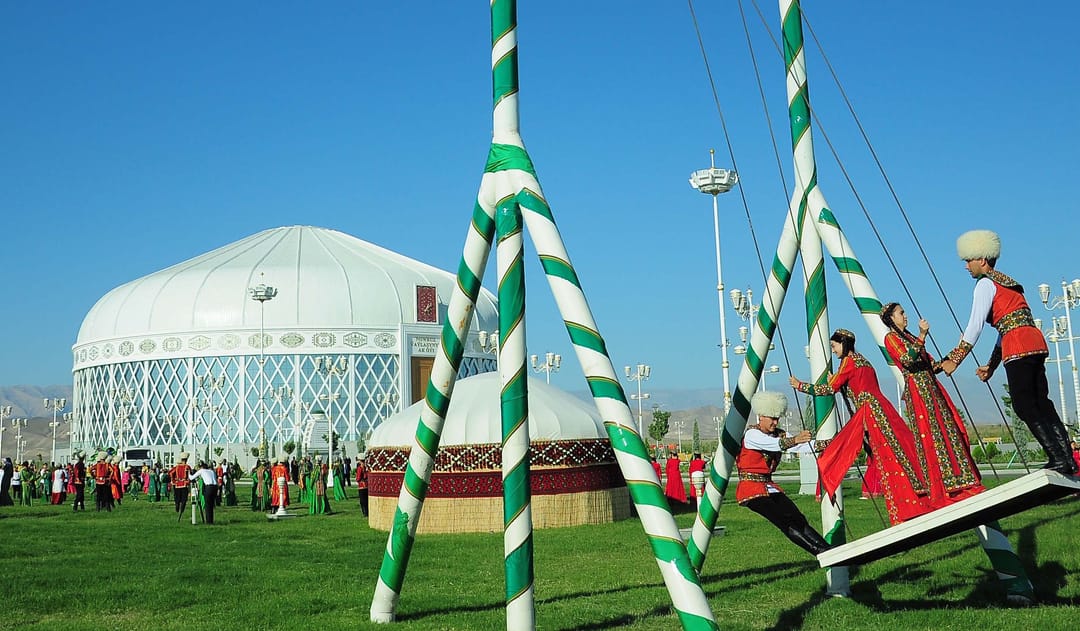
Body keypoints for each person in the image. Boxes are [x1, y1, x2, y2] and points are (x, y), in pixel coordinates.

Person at [940, 230, 1078, 475]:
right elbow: (1007, 326)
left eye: (968, 260)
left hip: (1018, 347)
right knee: (1042, 403)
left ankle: (1058, 457)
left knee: (1024, 405)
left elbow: (975, 325)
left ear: (982, 259)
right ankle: (1067, 458)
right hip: (1035, 343)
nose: (966, 266)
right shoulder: (1010, 284)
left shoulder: (985, 284)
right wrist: (991, 366)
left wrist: (954, 359)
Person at [791, 328, 933, 525]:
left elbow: (828, 390)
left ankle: (905, 511)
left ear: (843, 343)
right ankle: (915, 502)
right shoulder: (863, 360)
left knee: (885, 461)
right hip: (882, 408)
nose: (833, 350)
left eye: (834, 346)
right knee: (897, 455)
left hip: (870, 413)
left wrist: (800, 386)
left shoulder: (848, 362)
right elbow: (856, 387)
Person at [881, 302, 985, 507]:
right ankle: (943, 487)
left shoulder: (909, 337)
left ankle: (959, 481)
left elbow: (933, 365)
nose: (905, 316)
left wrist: (956, 352)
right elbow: (906, 360)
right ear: (891, 318)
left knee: (947, 431)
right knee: (931, 436)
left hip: (931, 389)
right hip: (919, 393)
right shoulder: (890, 338)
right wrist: (922, 336)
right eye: (901, 313)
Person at [736, 391, 833, 556]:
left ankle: (829, 550)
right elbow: (775, 445)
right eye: (772, 418)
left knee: (798, 519)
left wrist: (831, 443)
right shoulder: (752, 434)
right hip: (751, 490)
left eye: (777, 418)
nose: (775, 422)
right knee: (785, 522)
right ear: (760, 416)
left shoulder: (779, 434)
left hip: (769, 486)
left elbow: (802, 447)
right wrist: (795, 439)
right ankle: (819, 551)